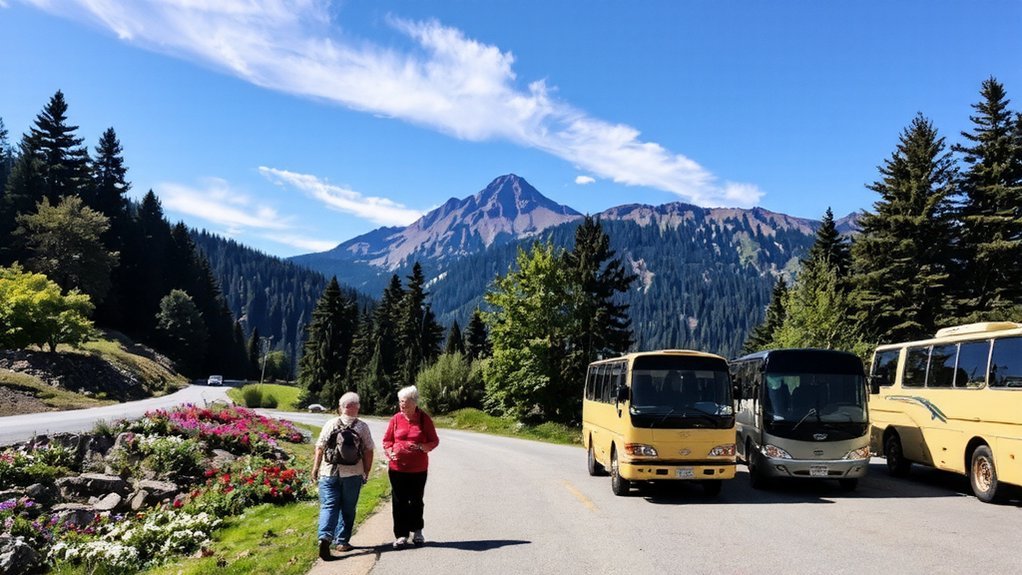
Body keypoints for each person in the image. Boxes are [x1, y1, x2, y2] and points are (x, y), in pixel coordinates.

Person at [312, 392, 374, 560]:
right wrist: (366, 471)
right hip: (353, 474)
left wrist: (315, 469)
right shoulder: (362, 427)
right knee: (348, 508)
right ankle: (342, 542)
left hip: (328, 472)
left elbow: (320, 447)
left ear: (341, 407)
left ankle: (324, 537)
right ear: (357, 407)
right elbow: (368, 451)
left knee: (329, 506)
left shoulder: (330, 424)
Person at [382, 386, 439, 548]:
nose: (402, 405)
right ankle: (401, 535)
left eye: (405, 402)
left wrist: (423, 447)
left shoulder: (424, 419)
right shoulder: (395, 419)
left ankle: (417, 531)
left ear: (414, 403)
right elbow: (387, 441)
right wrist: (389, 451)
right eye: (400, 402)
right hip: (397, 468)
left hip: (418, 469)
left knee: (416, 500)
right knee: (399, 501)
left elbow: (434, 440)